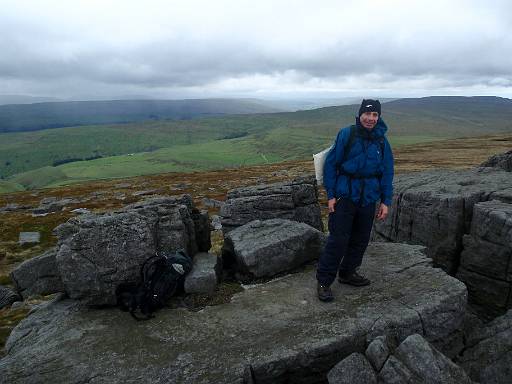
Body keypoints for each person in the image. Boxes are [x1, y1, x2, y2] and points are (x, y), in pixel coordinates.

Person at [316, 99, 394, 302]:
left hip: (367, 198)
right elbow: (331, 165)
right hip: (345, 195)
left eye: (375, 115)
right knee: (338, 240)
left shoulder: (382, 141)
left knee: (360, 239)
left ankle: (347, 273)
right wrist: (331, 195)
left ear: (379, 117)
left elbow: (387, 172)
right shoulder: (347, 134)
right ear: (360, 115)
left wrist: (386, 200)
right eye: (367, 114)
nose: (370, 118)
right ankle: (324, 282)